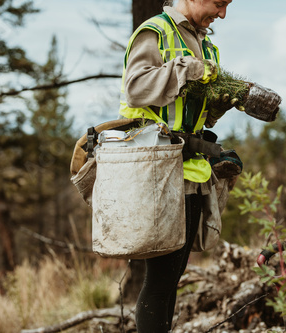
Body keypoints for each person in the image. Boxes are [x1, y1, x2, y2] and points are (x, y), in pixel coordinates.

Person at [118, 0, 234, 331]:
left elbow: (195, 111)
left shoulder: (207, 43)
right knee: (159, 281)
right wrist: (186, 69)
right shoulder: (155, 32)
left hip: (192, 170)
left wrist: (221, 105)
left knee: (171, 278)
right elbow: (136, 88)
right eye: (219, 3)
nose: (222, 14)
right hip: (156, 170)